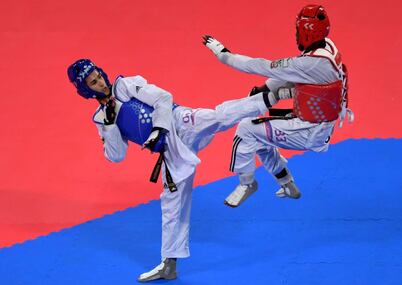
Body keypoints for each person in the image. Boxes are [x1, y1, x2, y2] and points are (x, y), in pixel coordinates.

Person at [67, 59, 286, 282]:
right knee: (171, 205)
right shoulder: (101, 119)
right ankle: (169, 264)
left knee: (218, 116)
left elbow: (163, 97)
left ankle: (274, 95)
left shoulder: (125, 85)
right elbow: (116, 156)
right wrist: (112, 124)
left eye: (98, 75)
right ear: (86, 90)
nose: (101, 82)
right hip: (169, 151)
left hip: (179, 121)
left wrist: (158, 130)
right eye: (93, 82)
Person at [203, 4, 354, 207]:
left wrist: (224, 55)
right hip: (317, 123)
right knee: (260, 134)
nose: (295, 34)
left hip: (307, 131)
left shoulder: (310, 63)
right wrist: (264, 88)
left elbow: (261, 66)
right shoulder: (325, 48)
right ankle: (287, 184)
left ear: (307, 33)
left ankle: (246, 184)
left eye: (298, 30)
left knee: (245, 130)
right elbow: (293, 76)